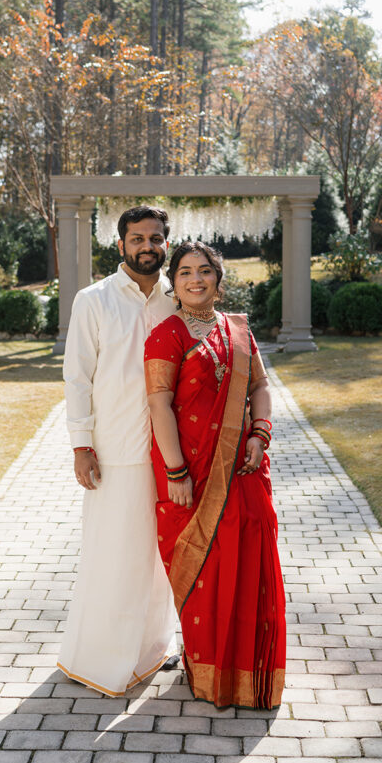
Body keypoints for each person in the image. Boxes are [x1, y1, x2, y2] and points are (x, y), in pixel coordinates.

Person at [144, 241, 286, 709]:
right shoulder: (166, 335)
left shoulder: (239, 332)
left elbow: (261, 386)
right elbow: (158, 404)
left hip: (244, 466)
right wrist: (176, 471)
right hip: (192, 472)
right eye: (185, 272)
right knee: (206, 563)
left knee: (250, 551)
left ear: (219, 282)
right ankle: (208, 674)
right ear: (174, 283)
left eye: (205, 271)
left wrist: (259, 434)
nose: (196, 279)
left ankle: (251, 674)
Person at [57, 205, 179, 696]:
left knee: (158, 557)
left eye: (155, 238)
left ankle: (152, 651)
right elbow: (76, 377)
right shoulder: (95, 299)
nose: (146, 246)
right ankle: (99, 660)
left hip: (171, 451)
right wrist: (81, 445)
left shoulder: (179, 296)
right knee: (114, 555)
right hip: (118, 448)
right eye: (137, 238)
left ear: (166, 243)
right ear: (122, 243)